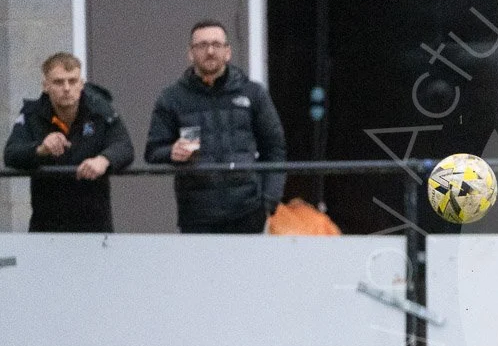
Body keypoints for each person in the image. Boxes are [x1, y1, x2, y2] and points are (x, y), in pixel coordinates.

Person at [144, 19, 286, 234]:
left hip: (248, 212)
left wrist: (269, 203)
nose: (210, 51)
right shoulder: (171, 98)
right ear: (190, 53)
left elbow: (275, 149)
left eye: (216, 45)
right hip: (196, 215)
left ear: (227, 52)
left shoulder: (252, 93)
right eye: (201, 45)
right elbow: (153, 151)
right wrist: (172, 152)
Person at [4, 52, 133, 232]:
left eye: (72, 81)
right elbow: (11, 154)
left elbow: (124, 146)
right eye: (58, 82)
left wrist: (103, 160)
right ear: (45, 86)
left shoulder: (100, 109)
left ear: (81, 84)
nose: (66, 88)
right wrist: (40, 149)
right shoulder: (32, 114)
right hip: (47, 223)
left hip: (94, 222)